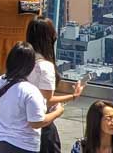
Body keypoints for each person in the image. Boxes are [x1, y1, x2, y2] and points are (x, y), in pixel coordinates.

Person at [0, 42, 66, 153]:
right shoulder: (30, 91)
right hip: (22, 146)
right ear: (30, 65)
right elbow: (36, 122)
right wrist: (58, 112)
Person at [27, 17, 85, 153]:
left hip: (19, 124)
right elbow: (45, 102)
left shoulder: (21, 59)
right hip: (41, 126)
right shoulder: (45, 66)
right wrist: (73, 96)